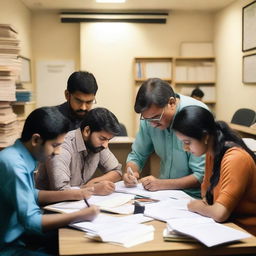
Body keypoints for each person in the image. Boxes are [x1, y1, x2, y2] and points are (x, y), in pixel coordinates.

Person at [0, 107, 99, 256]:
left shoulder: (20, 155)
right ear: (36, 140)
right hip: (11, 246)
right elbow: (31, 221)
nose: (58, 152)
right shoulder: (13, 164)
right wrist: (80, 215)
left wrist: (73, 194)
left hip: (23, 235)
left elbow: (30, 194)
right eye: (55, 145)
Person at [172, 106, 256, 235]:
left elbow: (219, 213)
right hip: (228, 228)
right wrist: (204, 206)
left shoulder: (235, 158)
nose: (185, 148)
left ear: (205, 136)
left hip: (247, 236)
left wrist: (195, 206)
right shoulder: (212, 152)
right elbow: (207, 197)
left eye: (188, 142)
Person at [123, 78, 208, 198]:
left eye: (156, 117)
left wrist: (161, 184)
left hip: (192, 196)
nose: (152, 124)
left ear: (171, 103)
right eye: (147, 119)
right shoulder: (150, 118)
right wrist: (131, 172)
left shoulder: (195, 114)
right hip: (163, 194)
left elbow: (201, 175)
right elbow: (137, 155)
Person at [35, 107, 122, 196]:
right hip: (50, 206)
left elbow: (117, 171)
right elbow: (60, 190)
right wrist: (92, 189)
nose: (105, 145)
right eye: (102, 138)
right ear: (87, 131)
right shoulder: (62, 146)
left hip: (76, 202)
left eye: (109, 140)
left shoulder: (99, 145)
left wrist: (94, 182)